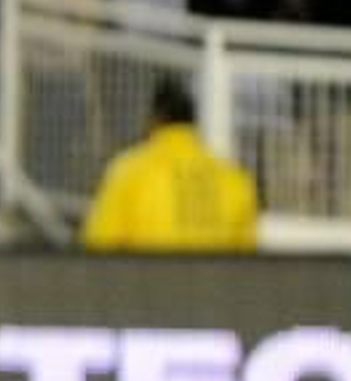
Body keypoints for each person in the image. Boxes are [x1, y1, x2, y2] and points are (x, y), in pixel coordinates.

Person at [81, 77, 259, 253]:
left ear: (155, 119)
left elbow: (99, 246)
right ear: (192, 122)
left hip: (147, 280)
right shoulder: (236, 180)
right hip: (217, 281)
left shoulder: (129, 171)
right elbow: (246, 259)